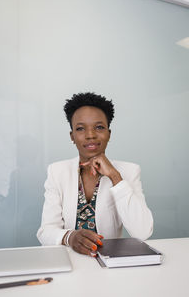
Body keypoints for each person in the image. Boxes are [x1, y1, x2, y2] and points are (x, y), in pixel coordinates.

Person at [37, 92, 153, 257]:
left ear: (109, 133)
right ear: (72, 136)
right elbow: (45, 231)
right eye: (80, 128)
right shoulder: (57, 172)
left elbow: (143, 231)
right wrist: (70, 236)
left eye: (99, 127)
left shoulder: (128, 171)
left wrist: (114, 176)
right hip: (68, 260)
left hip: (109, 263)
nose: (90, 135)